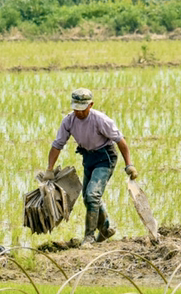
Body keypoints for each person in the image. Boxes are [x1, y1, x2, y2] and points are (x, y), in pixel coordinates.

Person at [42, 87, 138, 246]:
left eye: (82, 109)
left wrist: (129, 165)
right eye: (75, 109)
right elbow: (57, 145)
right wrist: (49, 170)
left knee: (93, 195)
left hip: (105, 157)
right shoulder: (68, 121)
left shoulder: (101, 120)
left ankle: (89, 237)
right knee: (88, 198)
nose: (78, 113)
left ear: (91, 105)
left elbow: (121, 141)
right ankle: (106, 229)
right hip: (88, 157)